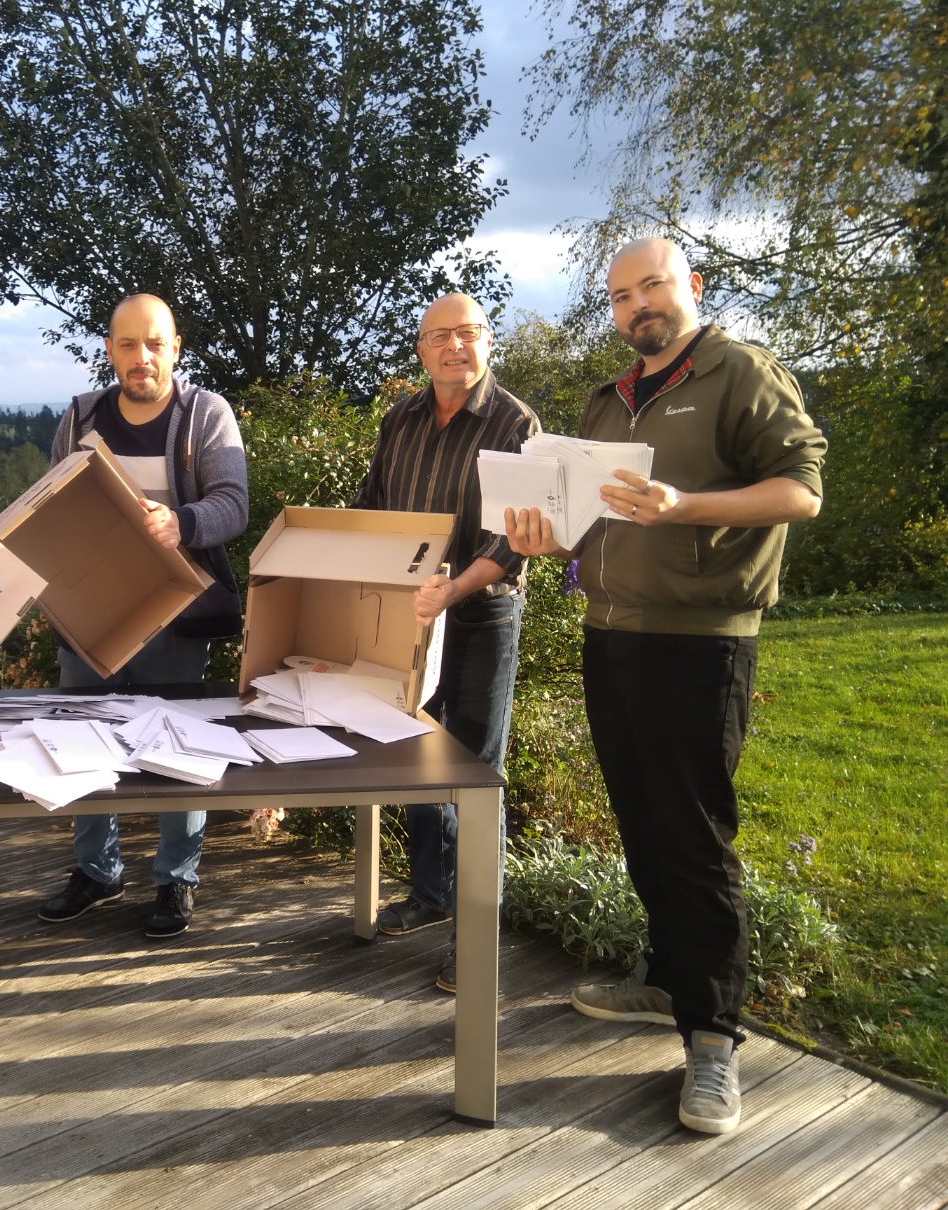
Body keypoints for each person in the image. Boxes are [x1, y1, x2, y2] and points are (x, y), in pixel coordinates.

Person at [506, 237, 826, 1136]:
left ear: (692, 286)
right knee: (641, 821)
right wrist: (543, 540)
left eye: (651, 285)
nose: (636, 304)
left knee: (692, 839)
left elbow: (799, 492)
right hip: (611, 635)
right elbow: (584, 524)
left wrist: (686, 507)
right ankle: (664, 981)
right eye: (619, 295)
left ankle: (713, 1036)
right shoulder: (606, 399)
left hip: (699, 643)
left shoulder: (739, 373)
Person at [36, 293, 249, 939]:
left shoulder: (206, 414)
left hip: (175, 615)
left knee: (177, 748)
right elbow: (52, 503)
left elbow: (233, 504)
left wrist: (180, 522)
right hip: (90, 614)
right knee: (81, 740)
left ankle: (176, 879)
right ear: (109, 350)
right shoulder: (81, 416)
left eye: (155, 344)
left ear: (175, 349)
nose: (141, 357)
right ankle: (97, 871)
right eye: (127, 344)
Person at [353, 292, 540, 994]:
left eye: (467, 333)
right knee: (412, 754)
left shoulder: (515, 422)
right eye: (439, 336)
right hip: (408, 612)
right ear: (421, 350)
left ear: (488, 341)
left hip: (480, 615)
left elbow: (512, 540)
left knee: (474, 772)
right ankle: (431, 894)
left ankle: (474, 935)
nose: (454, 346)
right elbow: (372, 507)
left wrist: (453, 588)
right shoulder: (399, 418)